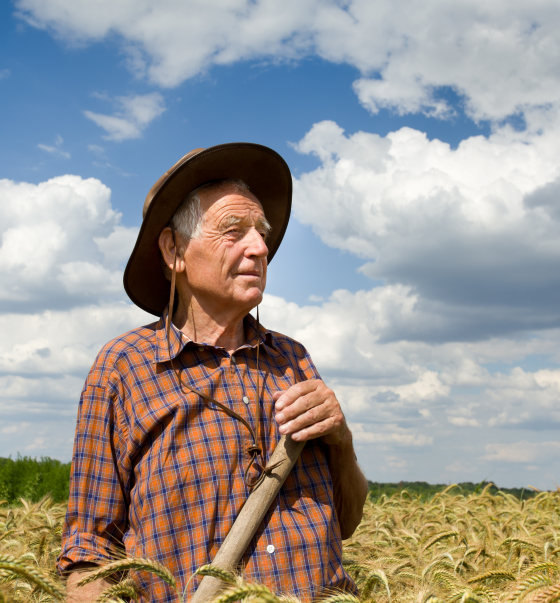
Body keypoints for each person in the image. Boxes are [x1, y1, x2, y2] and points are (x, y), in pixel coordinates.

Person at [57, 143, 369, 603]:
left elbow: (347, 520)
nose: (261, 247)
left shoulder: (294, 359)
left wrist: (340, 438)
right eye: (234, 230)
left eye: (261, 232)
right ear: (174, 249)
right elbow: (90, 549)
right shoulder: (124, 367)